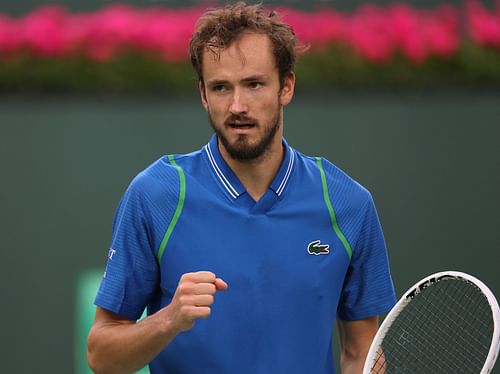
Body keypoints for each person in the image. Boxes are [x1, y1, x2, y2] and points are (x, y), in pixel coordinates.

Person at [87, 2, 396, 373]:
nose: (237, 106)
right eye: (221, 87)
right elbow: (101, 356)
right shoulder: (155, 194)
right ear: (203, 95)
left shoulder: (349, 204)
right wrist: (168, 320)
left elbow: (360, 354)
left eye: (253, 84)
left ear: (286, 86)